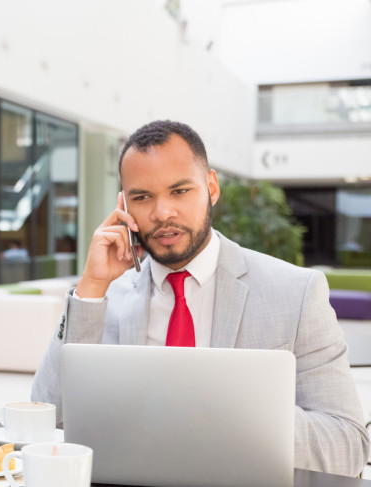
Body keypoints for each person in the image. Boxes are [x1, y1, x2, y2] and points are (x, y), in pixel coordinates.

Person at [31, 120, 370, 477]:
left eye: (179, 191)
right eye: (142, 197)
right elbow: (44, 421)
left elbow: (347, 447)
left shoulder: (296, 293)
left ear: (211, 187)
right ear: (124, 205)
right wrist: (91, 287)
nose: (162, 213)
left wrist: (225, 416)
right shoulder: (103, 298)